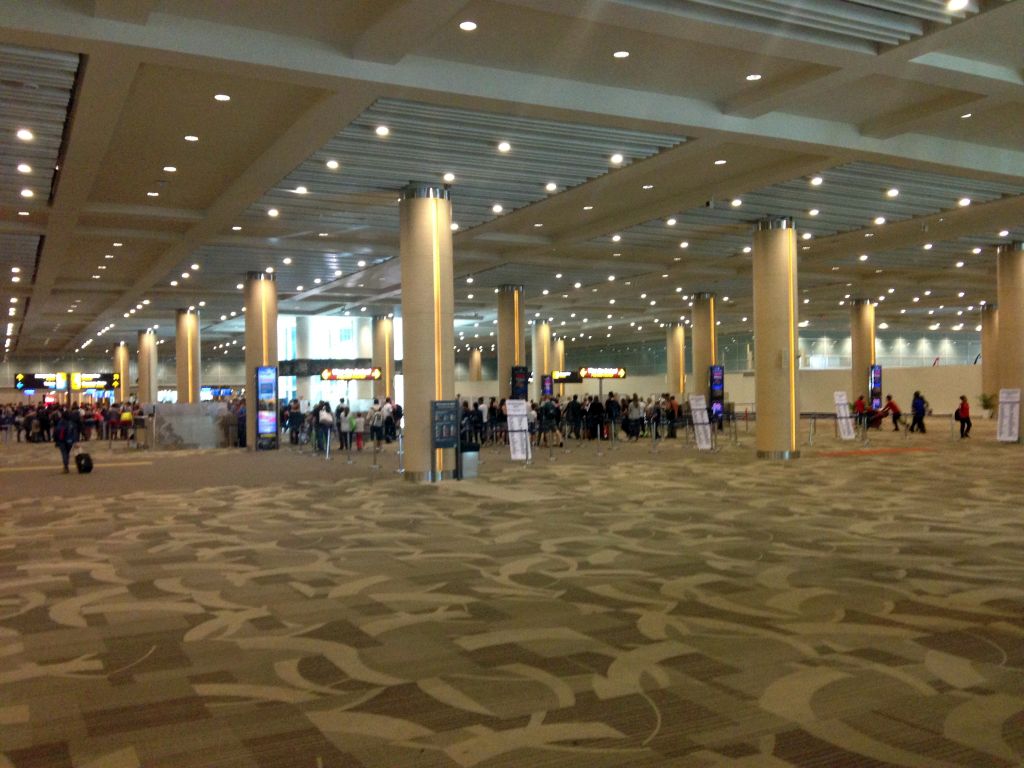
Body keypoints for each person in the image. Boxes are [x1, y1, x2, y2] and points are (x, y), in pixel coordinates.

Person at [53, 408, 81, 474]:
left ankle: (66, 467)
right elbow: (75, 433)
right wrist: (75, 441)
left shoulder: (60, 422)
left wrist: (56, 441)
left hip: (62, 440)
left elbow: (57, 432)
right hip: (70, 440)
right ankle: (66, 466)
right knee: (67, 453)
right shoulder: (71, 423)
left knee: (64, 453)